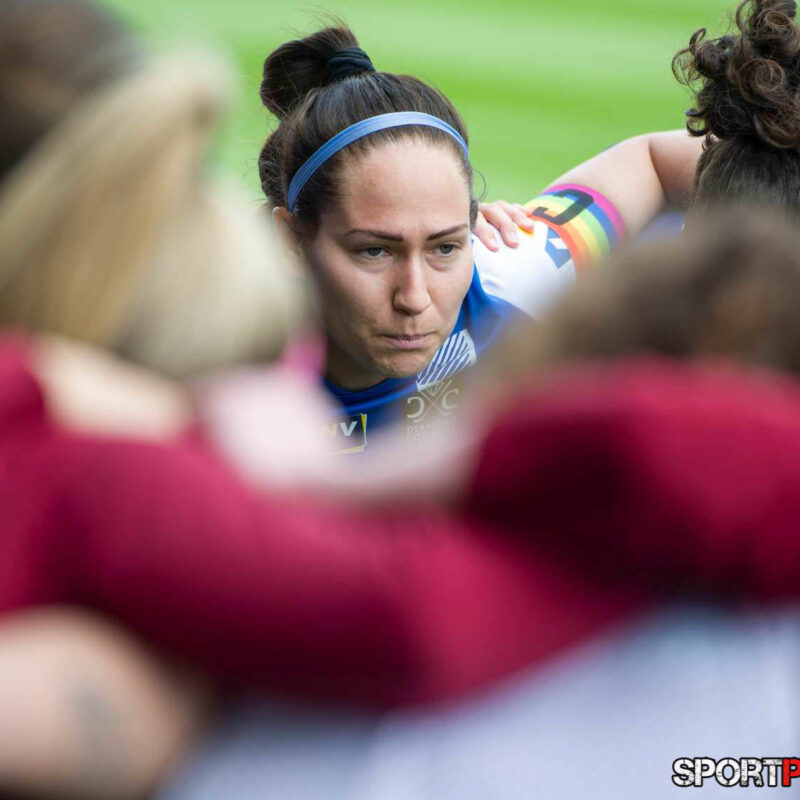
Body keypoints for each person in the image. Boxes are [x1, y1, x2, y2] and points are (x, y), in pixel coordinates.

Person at [256, 24, 702, 451]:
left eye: (444, 246)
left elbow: (654, 162)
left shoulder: (514, 267)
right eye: (374, 251)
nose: (415, 297)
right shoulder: (226, 363)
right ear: (292, 242)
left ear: (473, 225)